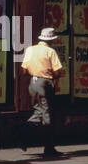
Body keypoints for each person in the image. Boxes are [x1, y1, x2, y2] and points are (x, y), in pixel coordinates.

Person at [18, 27, 63, 157]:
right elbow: (58, 71)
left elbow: (24, 70)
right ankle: (47, 148)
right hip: (45, 83)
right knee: (47, 115)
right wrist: (49, 76)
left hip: (33, 83)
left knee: (40, 112)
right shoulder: (50, 51)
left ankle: (24, 134)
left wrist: (35, 75)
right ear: (51, 40)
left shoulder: (30, 50)